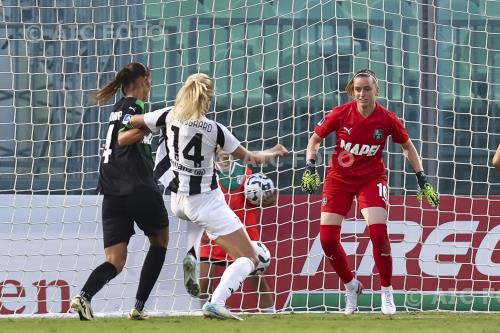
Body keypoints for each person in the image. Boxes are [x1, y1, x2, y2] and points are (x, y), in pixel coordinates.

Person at [130, 73, 287, 320]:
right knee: (251, 258)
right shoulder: (216, 130)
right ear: (208, 99)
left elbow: (134, 121)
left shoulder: (169, 115)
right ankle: (217, 302)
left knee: (221, 241)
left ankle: (194, 251)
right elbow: (251, 159)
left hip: (177, 199)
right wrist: (274, 151)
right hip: (205, 201)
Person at [301, 69, 439, 315]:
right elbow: (314, 140)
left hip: (371, 179)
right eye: (358, 89)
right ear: (352, 91)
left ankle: (386, 292)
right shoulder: (340, 114)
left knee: (378, 234)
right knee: (327, 240)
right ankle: (351, 286)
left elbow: (408, 148)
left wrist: (423, 180)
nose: (362, 93)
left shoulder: (387, 119)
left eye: (367, 89)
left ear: (377, 90)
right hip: (339, 179)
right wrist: (310, 167)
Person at [70, 62, 170, 321]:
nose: (151, 87)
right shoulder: (134, 106)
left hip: (112, 194)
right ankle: (138, 307)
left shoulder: (117, 109)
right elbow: (124, 138)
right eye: (150, 81)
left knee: (115, 261)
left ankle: (84, 297)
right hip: (138, 188)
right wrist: (155, 123)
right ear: (144, 80)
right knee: (160, 242)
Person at [195, 148, 275, 312]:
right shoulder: (207, 173)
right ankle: (202, 312)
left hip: (244, 232)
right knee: (204, 280)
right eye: (218, 148)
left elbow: (266, 196)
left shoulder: (247, 172)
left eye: (226, 148)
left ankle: (271, 313)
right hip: (215, 232)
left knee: (257, 279)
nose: (223, 152)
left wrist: (269, 199)